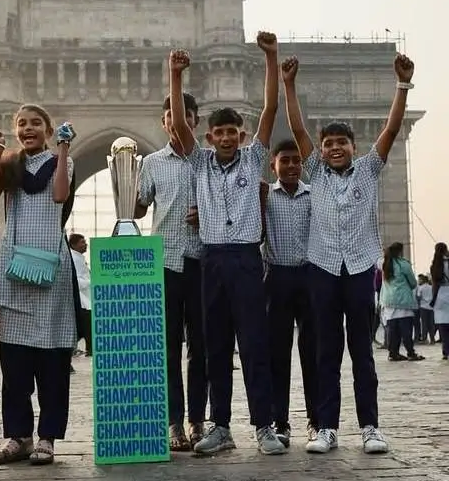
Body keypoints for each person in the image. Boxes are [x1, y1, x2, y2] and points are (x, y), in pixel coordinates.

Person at [284, 51, 415, 455]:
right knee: (326, 352)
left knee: (362, 352)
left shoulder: (368, 170)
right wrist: (289, 85)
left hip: (358, 269)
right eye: (328, 143)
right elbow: (298, 128)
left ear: (354, 147)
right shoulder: (317, 173)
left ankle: (370, 427)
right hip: (322, 270)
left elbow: (391, 131)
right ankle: (326, 428)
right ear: (320, 151)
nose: (335, 148)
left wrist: (401, 86)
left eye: (342, 142)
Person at [168, 32, 287, 456]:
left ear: (241, 133)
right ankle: (220, 426)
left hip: (246, 260)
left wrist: (270, 58)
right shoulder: (197, 161)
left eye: (232, 131)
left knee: (253, 344)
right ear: (210, 136)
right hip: (212, 260)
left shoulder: (255, 159)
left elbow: (270, 109)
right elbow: (180, 126)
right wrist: (175, 74)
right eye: (218, 132)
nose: (225, 138)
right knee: (214, 346)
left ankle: (264, 427)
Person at [0, 105, 77, 466]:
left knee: (52, 359)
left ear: (49, 129)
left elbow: (58, 196)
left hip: (50, 269)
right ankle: (18, 436)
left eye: (36, 123)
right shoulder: (10, 165)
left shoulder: (60, 162)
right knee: (15, 361)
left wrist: (65, 150)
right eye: (22, 124)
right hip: (15, 270)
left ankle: (47, 437)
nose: (28, 129)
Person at [135, 93, 206, 451]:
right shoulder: (150, 163)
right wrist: (123, 174)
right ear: (164, 122)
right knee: (167, 350)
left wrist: (206, 215)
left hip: (200, 262)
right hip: (163, 264)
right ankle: (173, 423)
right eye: (171, 117)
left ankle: (197, 421)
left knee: (200, 349)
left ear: (194, 120)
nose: (177, 122)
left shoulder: (207, 161)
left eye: (185, 116)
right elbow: (134, 208)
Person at [262, 138, 317, 447]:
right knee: (276, 356)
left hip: (309, 277)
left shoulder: (315, 196)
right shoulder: (265, 196)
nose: (293, 166)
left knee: (313, 352)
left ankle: (317, 421)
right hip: (277, 277)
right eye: (286, 161)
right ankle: (279, 421)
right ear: (274, 165)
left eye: (297, 161)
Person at [379, 242, 423, 362]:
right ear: (400, 251)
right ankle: (410, 352)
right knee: (406, 329)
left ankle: (393, 353)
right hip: (403, 301)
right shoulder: (403, 264)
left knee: (392, 330)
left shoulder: (384, 264)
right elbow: (413, 283)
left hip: (388, 302)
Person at [68, 233, 92, 357]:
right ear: (73, 245)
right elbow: (76, 280)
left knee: (85, 327)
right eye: (82, 242)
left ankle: (89, 348)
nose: (85, 244)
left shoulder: (79, 258)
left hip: (86, 297)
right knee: (84, 326)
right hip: (81, 297)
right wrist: (90, 283)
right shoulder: (73, 258)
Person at [430, 242, 449, 360]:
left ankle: (445, 351)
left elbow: (435, 284)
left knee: (443, 326)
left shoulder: (435, 265)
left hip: (440, 295)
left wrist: (433, 299)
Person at [416, 274, 435, 344]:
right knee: (431, 324)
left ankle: (424, 339)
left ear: (422, 280)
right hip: (431, 307)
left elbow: (418, 297)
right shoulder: (431, 287)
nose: (418, 281)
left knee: (424, 324)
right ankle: (432, 339)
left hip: (423, 307)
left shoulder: (421, 288)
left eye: (419, 280)